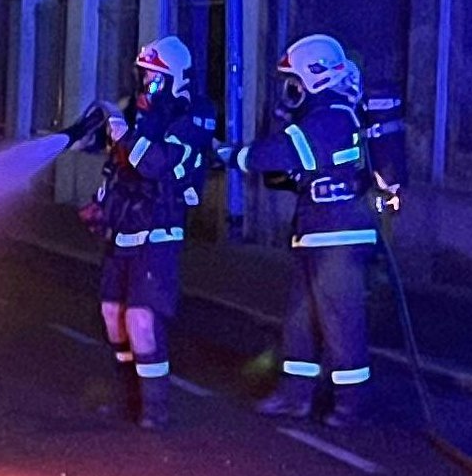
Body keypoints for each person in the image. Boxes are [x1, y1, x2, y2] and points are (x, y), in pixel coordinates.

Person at [229, 33, 383, 428]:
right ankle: (294, 395)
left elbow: (278, 153)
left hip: (339, 234)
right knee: (300, 320)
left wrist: (235, 156)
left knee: (340, 321)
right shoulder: (323, 116)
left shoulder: (331, 116)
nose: (289, 90)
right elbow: (292, 167)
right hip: (318, 231)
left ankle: (350, 404)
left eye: (293, 81)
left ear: (312, 77)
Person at [79, 36, 218, 430]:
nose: (146, 87)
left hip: (159, 229)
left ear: (175, 79)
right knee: (113, 315)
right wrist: (100, 205)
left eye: (155, 79)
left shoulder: (193, 116)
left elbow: (157, 164)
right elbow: (117, 169)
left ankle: (155, 409)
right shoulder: (138, 114)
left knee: (141, 318)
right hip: (123, 229)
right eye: (144, 77)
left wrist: (127, 135)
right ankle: (129, 397)